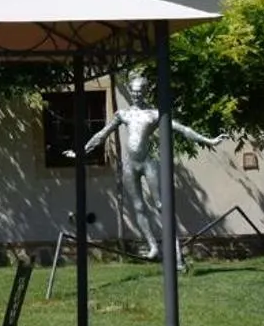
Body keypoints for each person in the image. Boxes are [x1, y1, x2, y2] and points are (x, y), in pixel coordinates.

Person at [79, 71, 222, 263]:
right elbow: (102, 135)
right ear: (130, 91)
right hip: (130, 165)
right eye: (134, 91)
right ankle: (153, 245)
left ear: (146, 92)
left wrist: (209, 141)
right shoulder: (123, 114)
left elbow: (182, 129)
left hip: (148, 163)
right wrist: (81, 151)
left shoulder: (154, 114)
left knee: (161, 205)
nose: (137, 94)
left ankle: (177, 256)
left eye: (140, 91)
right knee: (138, 206)